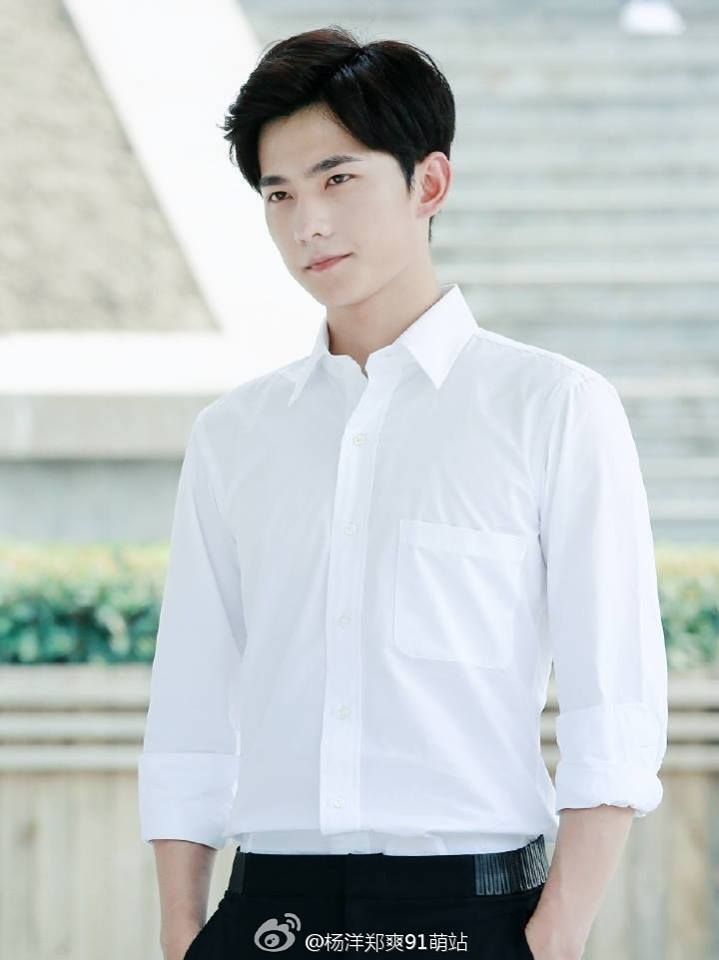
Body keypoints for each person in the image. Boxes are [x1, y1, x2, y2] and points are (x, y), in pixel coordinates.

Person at [137, 25, 669, 960]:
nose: (307, 223)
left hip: (477, 910)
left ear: (429, 183)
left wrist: (553, 937)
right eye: (278, 193)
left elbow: (613, 701)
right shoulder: (233, 436)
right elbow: (190, 704)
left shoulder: (552, 408)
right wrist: (184, 933)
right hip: (270, 912)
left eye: (337, 179)